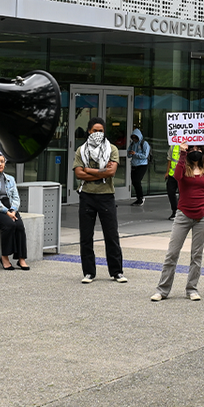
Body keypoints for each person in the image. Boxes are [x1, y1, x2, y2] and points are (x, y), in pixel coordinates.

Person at [150, 144, 204, 301]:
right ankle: (162, 290)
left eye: (198, 149)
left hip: (202, 215)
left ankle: (192, 288)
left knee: (196, 255)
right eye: (192, 149)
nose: (195, 152)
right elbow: (177, 177)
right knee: (172, 253)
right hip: (183, 215)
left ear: (203, 152)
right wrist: (182, 154)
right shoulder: (182, 167)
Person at [75, 117, 127, 283]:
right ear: (89, 131)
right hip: (87, 196)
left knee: (111, 234)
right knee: (86, 236)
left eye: (101, 130)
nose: (98, 133)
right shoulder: (81, 150)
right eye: (95, 130)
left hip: (106, 196)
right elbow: (78, 173)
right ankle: (89, 272)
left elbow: (111, 173)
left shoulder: (111, 149)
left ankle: (117, 271)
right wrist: (100, 171)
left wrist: (89, 170)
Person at [0, 149, 30, 271]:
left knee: (19, 226)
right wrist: (6, 212)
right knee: (8, 225)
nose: (0, 164)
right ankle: (4, 257)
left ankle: (21, 258)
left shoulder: (10, 179)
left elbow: (16, 197)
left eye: (2, 161)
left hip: (9, 207)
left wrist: (13, 210)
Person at [127, 129, 150, 206]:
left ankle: (140, 198)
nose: (134, 139)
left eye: (136, 138)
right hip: (134, 164)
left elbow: (145, 156)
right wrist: (130, 153)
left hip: (142, 165)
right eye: (133, 138)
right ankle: (138, 198)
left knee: (137, 181)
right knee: (134, 182)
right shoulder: (132, 144)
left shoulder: (144, 144)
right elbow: (128, 153)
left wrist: (135, 154)